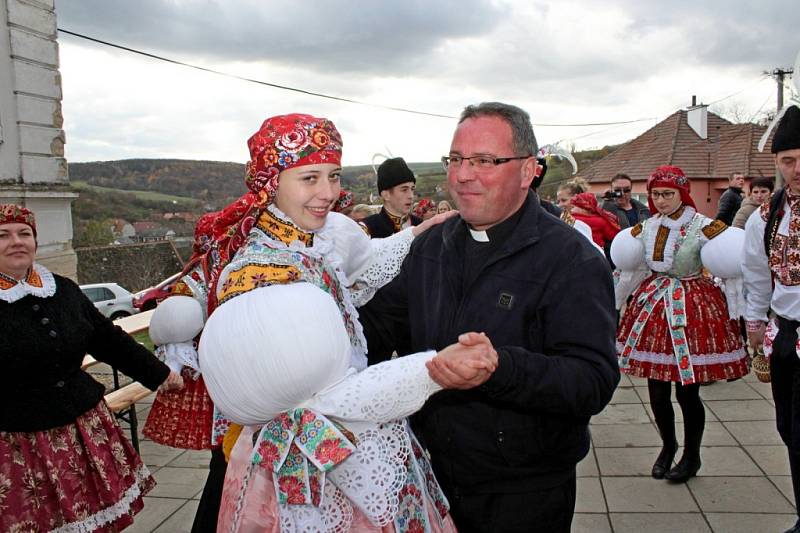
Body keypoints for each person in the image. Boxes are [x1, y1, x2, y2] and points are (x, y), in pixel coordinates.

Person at [146, 114, 458, 532]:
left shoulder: (323, 237)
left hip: (344, 431)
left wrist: (417, 234)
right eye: (309, 178)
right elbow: (299, 395)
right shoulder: (257, 270)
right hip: (305, 454)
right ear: (270, 183)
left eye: (333, 176)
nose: (328, 192)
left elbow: (366, 262)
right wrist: (419, 377)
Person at [359, 102, 619, 533]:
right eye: (456, 160)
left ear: (527, 170)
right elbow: (375, 329)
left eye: (484, 161)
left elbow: (591, 381)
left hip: (521, 491)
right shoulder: (430, 248)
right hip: (429, 475)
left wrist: (501, 367)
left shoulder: (571, 260)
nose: (462, 175)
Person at [0, 204, 183, 532]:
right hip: (19, 444)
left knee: (94, 521)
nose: (16, 241)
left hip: (82, 430)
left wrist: (159, 374)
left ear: (35, 242)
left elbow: (107, 340)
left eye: (24, 233)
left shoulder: (62, 290)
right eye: (3, 235)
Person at [612, 166, 749, 484]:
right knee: (656, 390)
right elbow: (630, 269)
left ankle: (692, 455)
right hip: (654, 308)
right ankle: (667, 446)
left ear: (682, 194)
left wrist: (742, 309)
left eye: (667, 194)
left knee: (688, 392)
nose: (660, 201)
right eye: (656, 194)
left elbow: (732, 266)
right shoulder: (644, 228)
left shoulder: (705, 226)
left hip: (692, 310)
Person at [742, 104, 800, 533]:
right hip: (785, 334)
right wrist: (755, 326)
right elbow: (758, 278)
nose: (797, 168)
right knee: (789, 430)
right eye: (788, 160)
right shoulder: (767, 215)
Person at [361, 157, 421, 237]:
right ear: (386, 195)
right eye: (404, 190)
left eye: (412, 189)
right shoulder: (368, 228)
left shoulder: (421, 225)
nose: (411, 196)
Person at [555, 178, 602, 249]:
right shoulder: (562, 217)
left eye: (564, 200)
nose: (560, 205)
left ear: (577, 199)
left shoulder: (593, 217)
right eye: (558, 201)